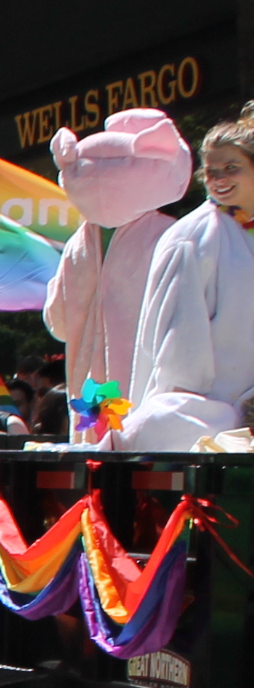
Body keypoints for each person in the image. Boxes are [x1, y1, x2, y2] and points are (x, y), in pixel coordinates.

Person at [125, 107, 254, 447]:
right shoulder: (194, 235)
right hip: (206, 416)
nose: (220, 179)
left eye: (231, 168)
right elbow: (180, 345)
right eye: (211, 172)